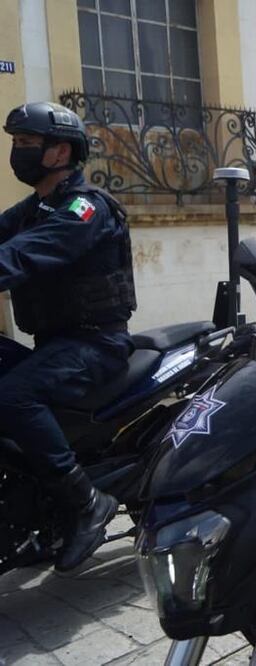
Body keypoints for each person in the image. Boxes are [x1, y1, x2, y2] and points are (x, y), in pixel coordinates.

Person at [0, 102, 136, 570]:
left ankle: (86, 501)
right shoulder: (34, 207)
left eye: (25, 144)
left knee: (12, 397)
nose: (16, 152)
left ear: (60, 152)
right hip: (54, 347)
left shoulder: (85, 208)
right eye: (14, 143)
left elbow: (25, 254)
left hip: (96, 345)